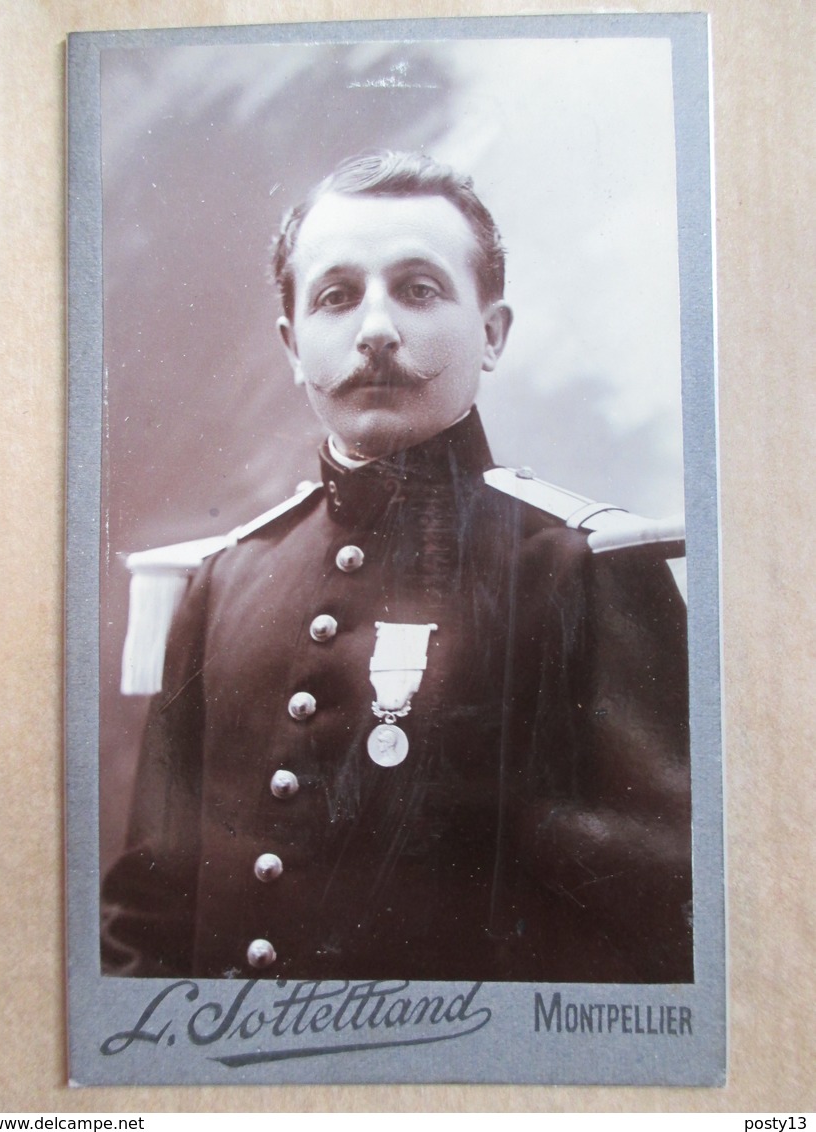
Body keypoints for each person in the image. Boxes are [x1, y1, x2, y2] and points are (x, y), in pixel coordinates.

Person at [102, 151, 692, 984]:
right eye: (336, 296)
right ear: (291, 346)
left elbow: (669, 915)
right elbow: (145, 917)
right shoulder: (225, 581)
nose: (375, 328)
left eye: (418, 290)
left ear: (491, 334)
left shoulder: (579, 568)